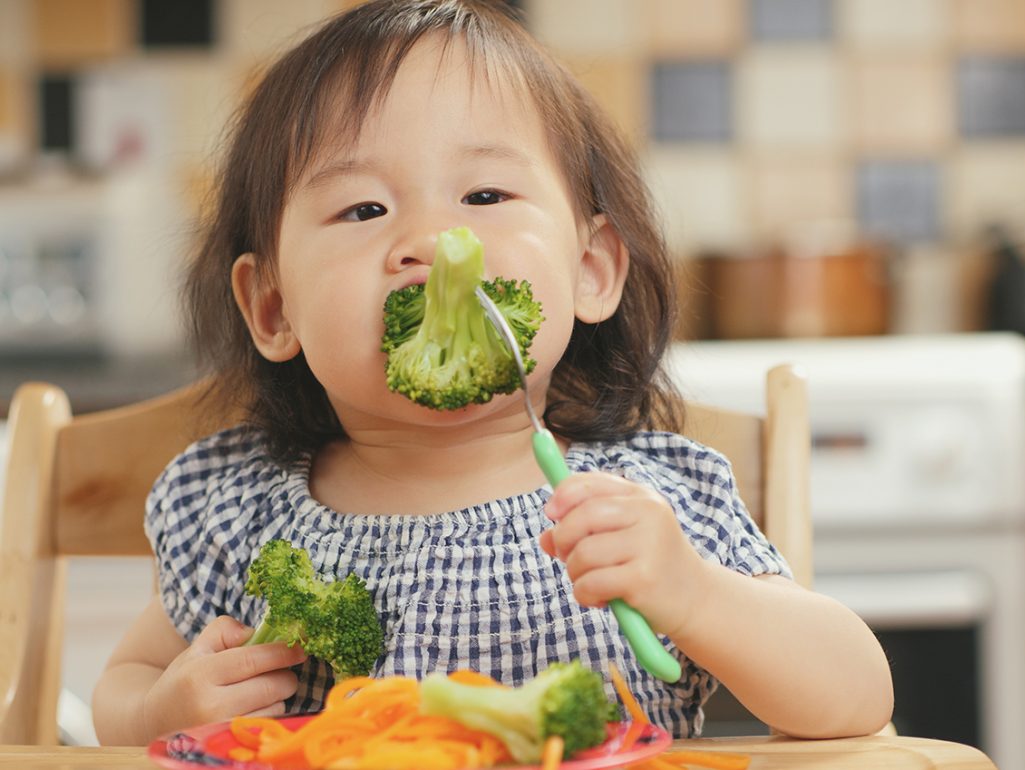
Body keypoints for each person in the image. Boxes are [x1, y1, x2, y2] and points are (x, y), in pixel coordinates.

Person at [92, 0, 893, 746]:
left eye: (484, 194)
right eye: (364, 210)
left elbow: (856, 696)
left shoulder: (652, 506)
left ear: (590, 270)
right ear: (272, 308)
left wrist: (695, 592)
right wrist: (164, 710)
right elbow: (124, 685)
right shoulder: (238, 513)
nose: (435, 242)